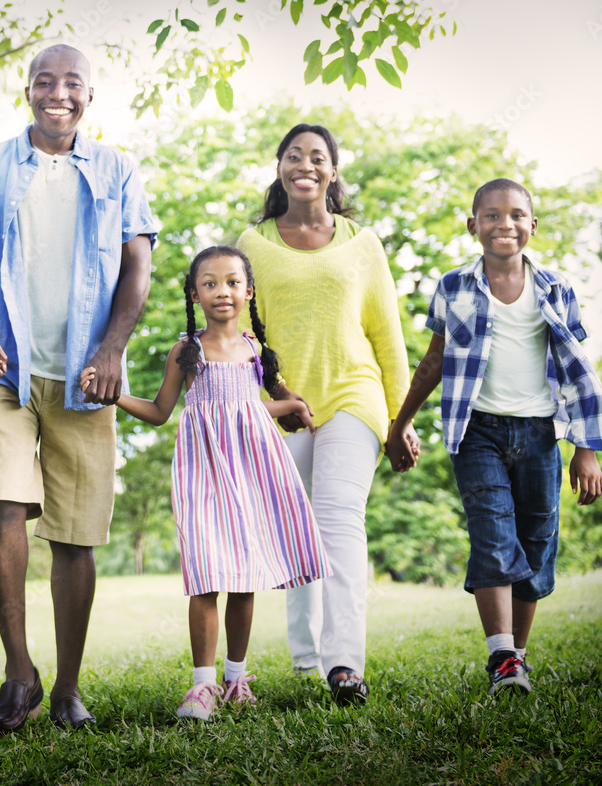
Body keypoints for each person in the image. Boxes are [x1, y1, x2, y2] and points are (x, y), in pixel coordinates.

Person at [0, 43, 157, 732]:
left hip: (85, 379)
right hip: (5, 370)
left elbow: (138, 270)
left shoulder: (119, 169)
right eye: (44, 82)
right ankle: (18, 672)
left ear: (89, 96)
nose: (56, 93)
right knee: (1, 506)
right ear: (27, 91)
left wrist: (112, 349)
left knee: (77, 536)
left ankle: (65, 689)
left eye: (71, 84)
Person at [386, 178, 602, 695]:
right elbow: (434, 362)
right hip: (477, 432)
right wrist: (401, 421)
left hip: (541, 434)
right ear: (473, 226)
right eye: (491, 215)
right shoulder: (454, 286)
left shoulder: (557, 288)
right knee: (493, 536)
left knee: (536, 544)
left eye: (516, 214)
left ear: (532, 227)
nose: (504, 224)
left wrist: (586, 449)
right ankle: (501, 658)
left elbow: (579, 371)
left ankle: (517, 655)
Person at [82, 246, 329, 720]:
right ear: (194, 293)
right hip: (203, 473)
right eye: (210, 283)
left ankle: (236, 679)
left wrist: (291, 406)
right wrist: (112, 395)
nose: (223, 291)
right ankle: (203, 686)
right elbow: (158, 412)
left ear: (249, 291)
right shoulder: (186, 350)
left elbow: (254, 406)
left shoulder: (255, 348)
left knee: (243, 578)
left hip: (254, 472)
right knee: (206, 574)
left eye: (233, 282)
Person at [236, 123, 416, 705]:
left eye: (318, 157)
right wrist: (272, 398)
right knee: (296, 532)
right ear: (280, 167)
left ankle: (344, 666)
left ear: (333, 172)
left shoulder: (363, 243)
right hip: (284, 404)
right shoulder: (252, 243)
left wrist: (400, 420)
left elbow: (387, 339)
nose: (305, 164)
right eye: (294, 155)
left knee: (339, 518)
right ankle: (306, 658)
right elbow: (240, 335)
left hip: (352, 397)